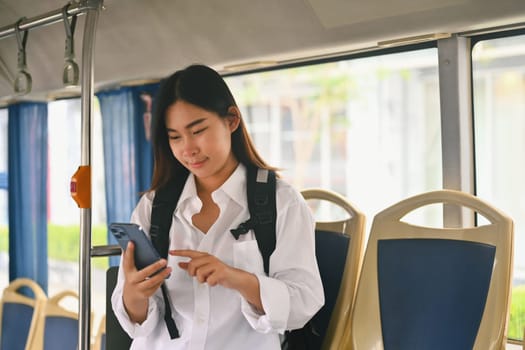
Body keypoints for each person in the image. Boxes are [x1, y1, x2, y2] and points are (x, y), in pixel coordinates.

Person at [111, 64, 324, 350]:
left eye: (197, 130)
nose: (188, 149)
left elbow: (304, 301)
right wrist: (134, 294)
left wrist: (236, 278)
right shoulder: (153, 207)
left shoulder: (281, 203)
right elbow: (138, 323)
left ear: (232, 120)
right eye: (175, 137)